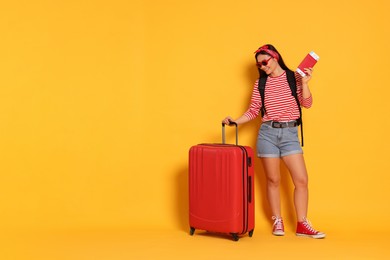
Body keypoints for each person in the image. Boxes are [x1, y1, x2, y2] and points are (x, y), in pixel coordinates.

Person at [222, 44, 325, 239]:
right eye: (258, 64)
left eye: (264, 62)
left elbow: (307, 104)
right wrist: (235, 120)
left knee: (301, 180)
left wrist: (304, 83)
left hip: (290, 135)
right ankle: (277, 219)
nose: (262, 66)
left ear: (275, 57)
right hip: (267, 135)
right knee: (273, 180)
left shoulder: (293, 77)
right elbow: (253, 110)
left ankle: (302, 223)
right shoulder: (260, 84)